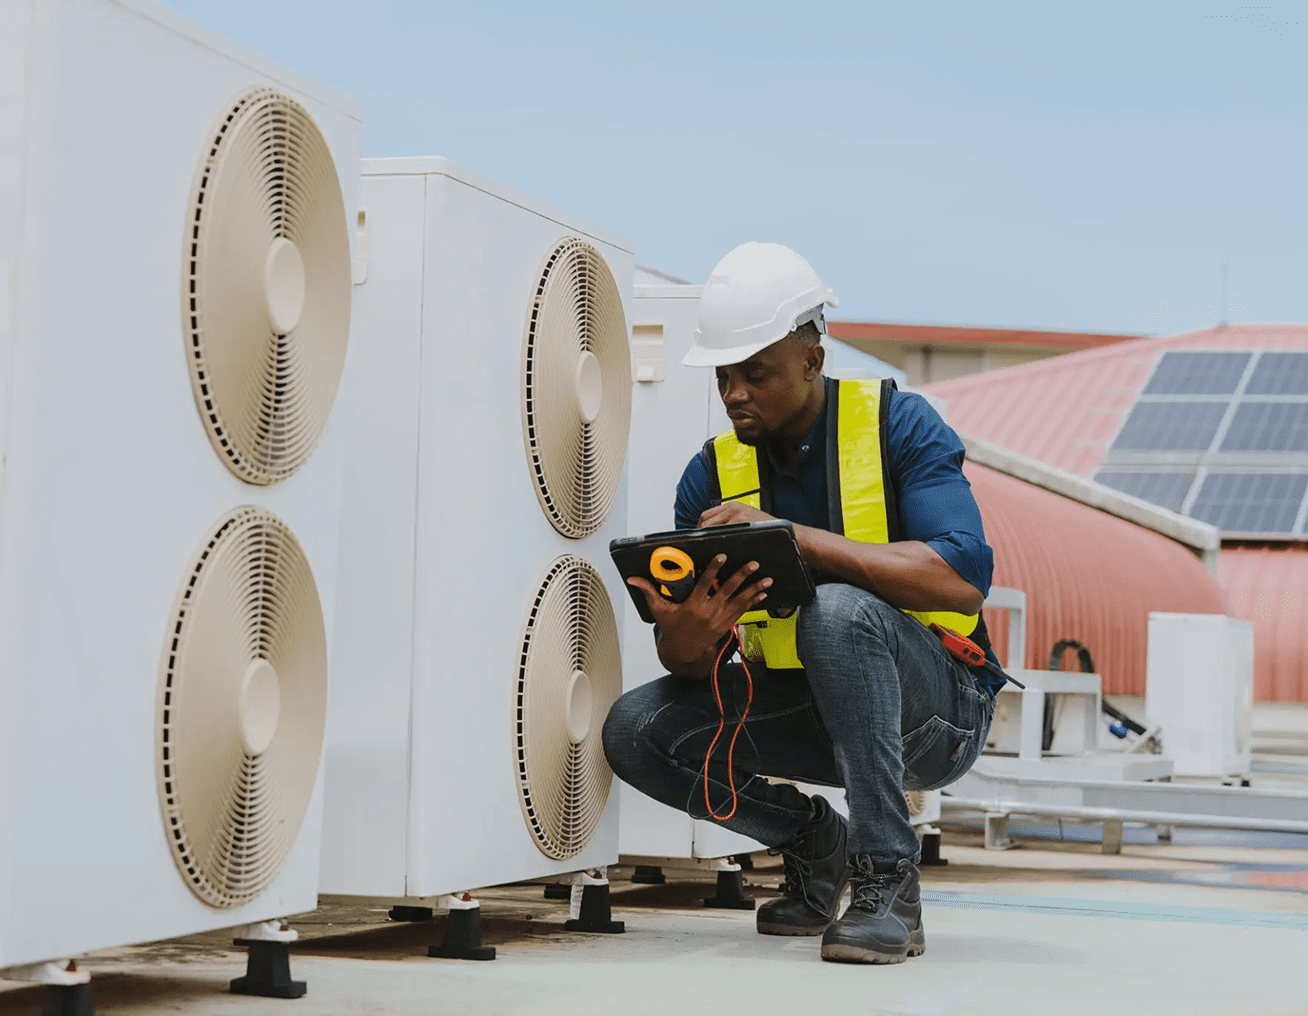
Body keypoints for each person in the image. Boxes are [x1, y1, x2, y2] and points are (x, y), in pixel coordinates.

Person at [602, 241, 1001, 965]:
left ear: (813, 360)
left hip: (940, 713)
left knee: (839, 611)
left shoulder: (900, 427)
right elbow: (691, 667)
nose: (734, 395)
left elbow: (963, 576)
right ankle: (815, 840)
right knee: (635, 729)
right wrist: (687, 638)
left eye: (756, 374)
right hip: (816, 711)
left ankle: (888, 883)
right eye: (724, 377)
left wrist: (800, 543)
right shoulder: (713, 478)